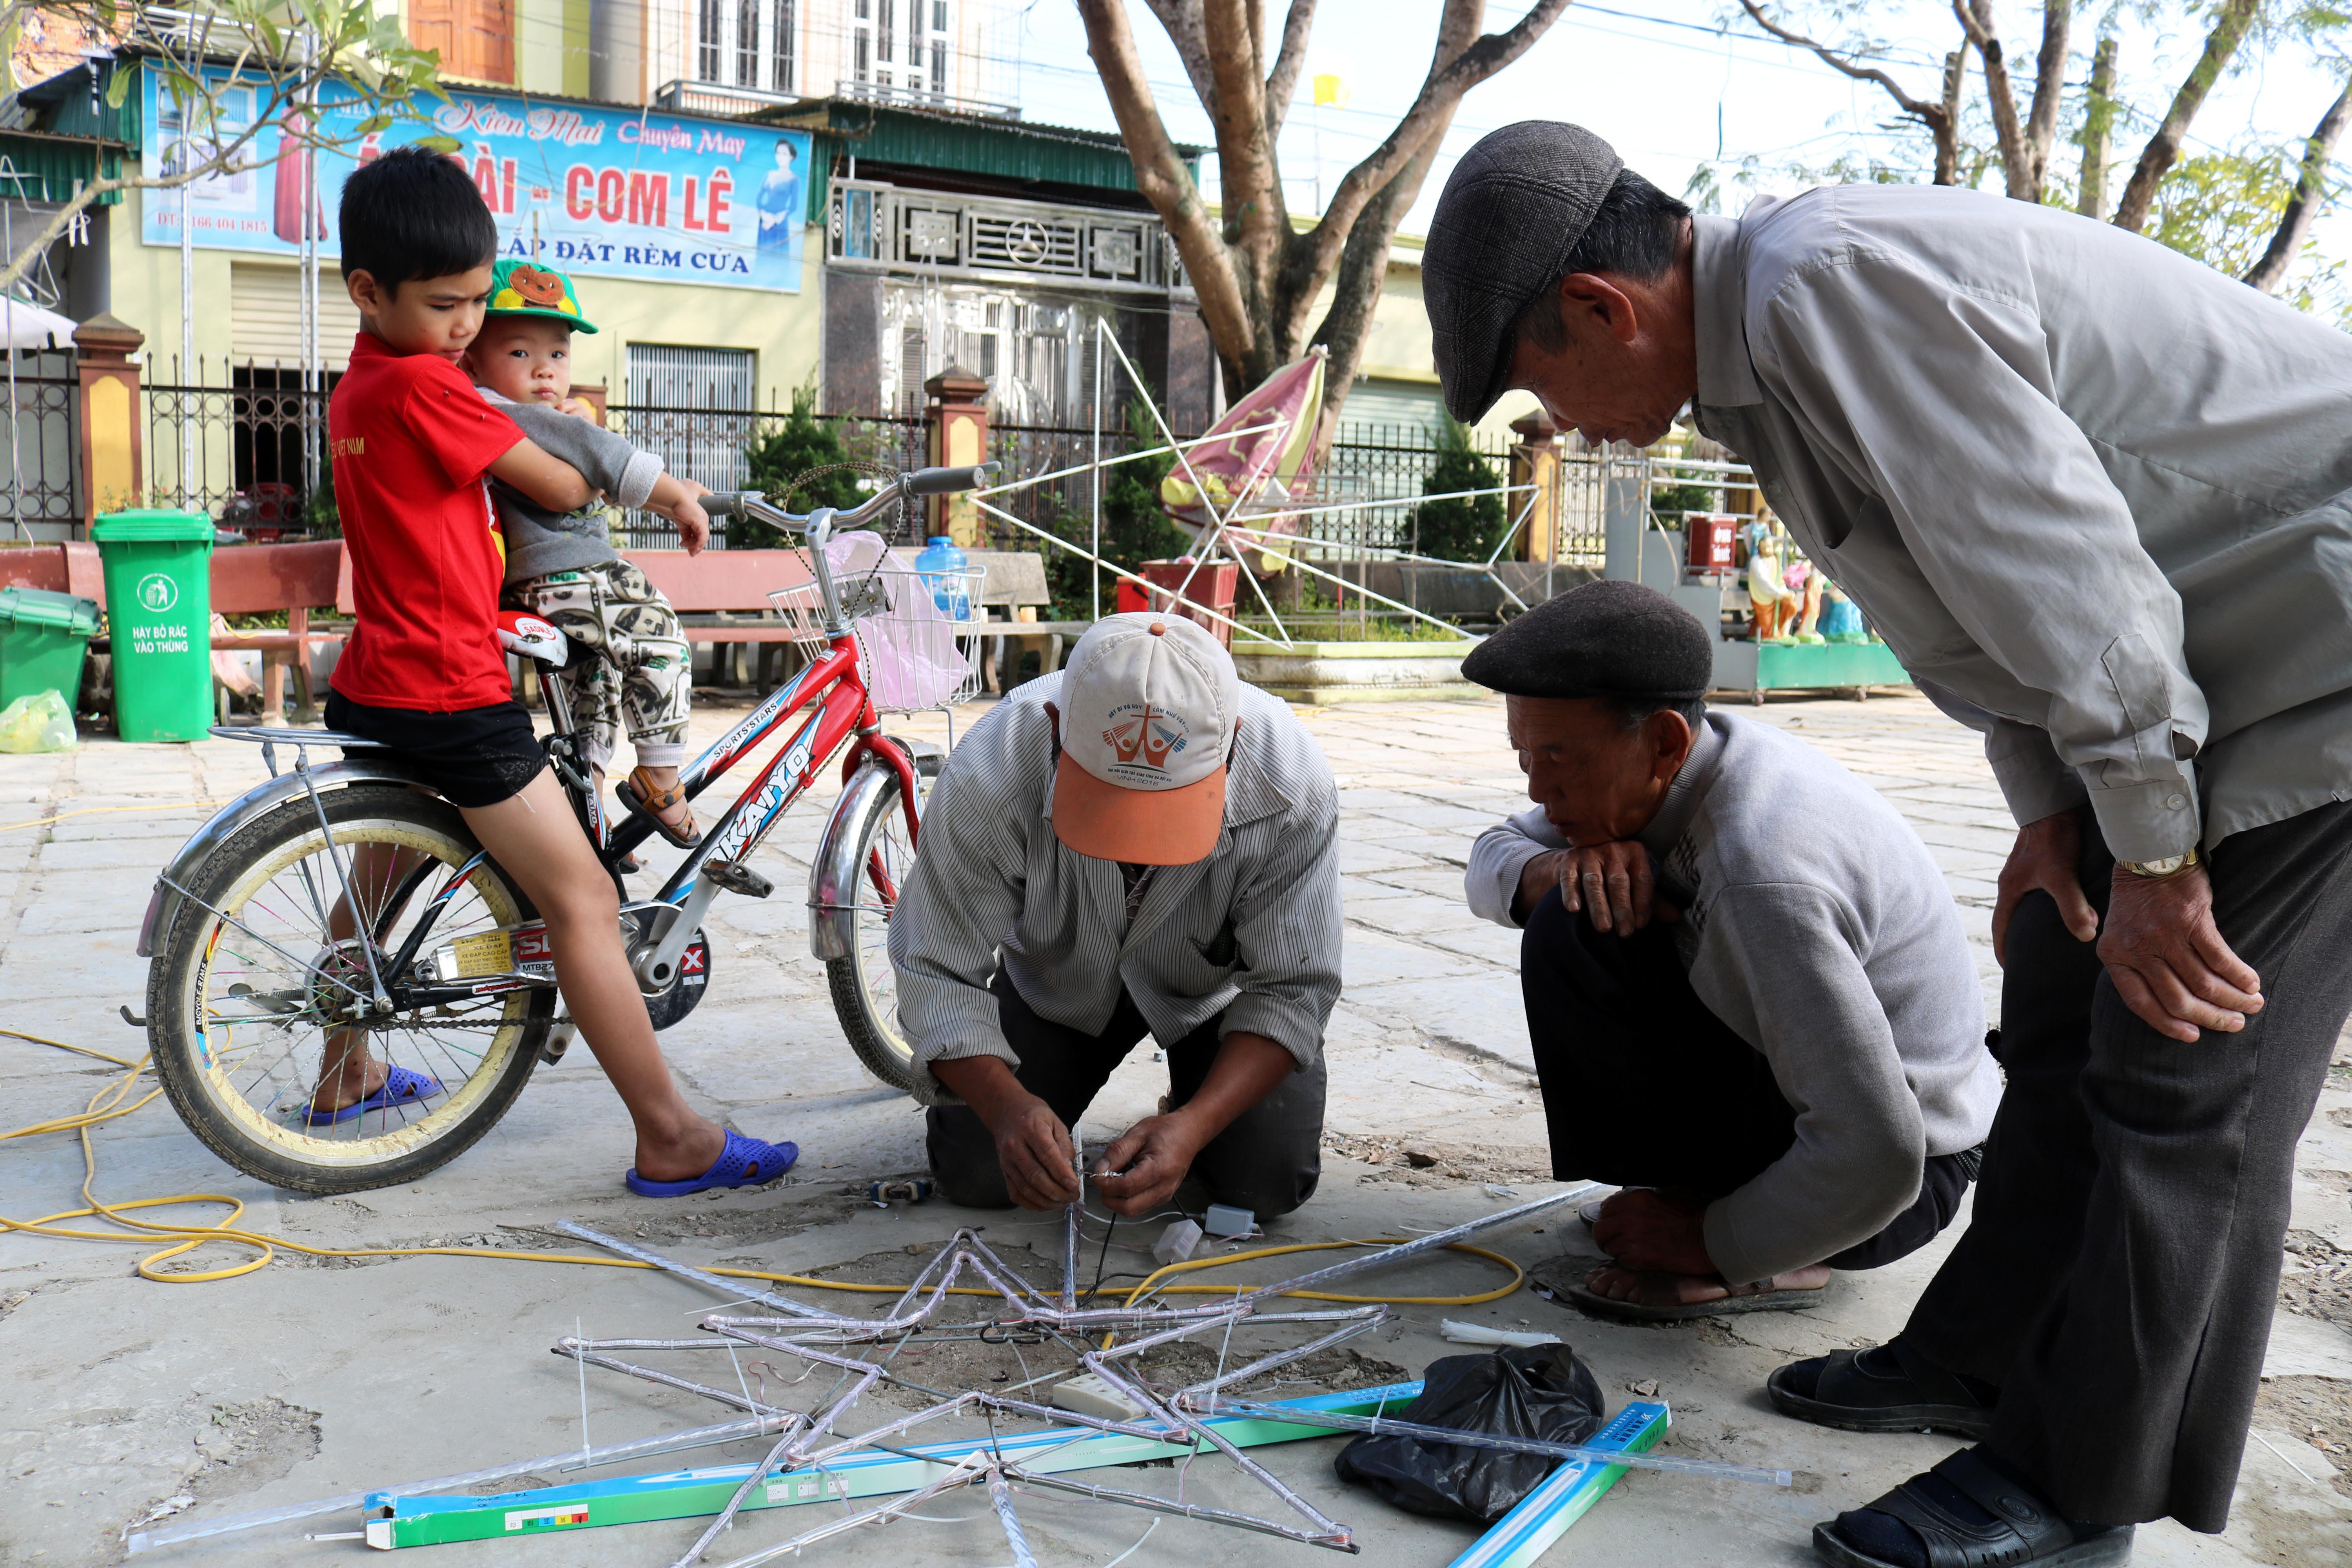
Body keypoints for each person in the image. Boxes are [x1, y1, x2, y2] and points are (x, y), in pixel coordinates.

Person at [1421, 118, 2352, 1568]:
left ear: (1604, 307)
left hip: (2318, 654)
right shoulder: (1760, 365)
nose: (1578, 430)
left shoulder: (1823, 291)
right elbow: (1963, 609)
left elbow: (2066, 572)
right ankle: (1984, 1357)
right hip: (2199, 660)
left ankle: (2079, 1484)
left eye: (1550, 386)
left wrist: (2160, 863)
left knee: (2188, 1076)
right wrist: (2053, 813)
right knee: (2056, 993)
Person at [323, 145, 797, 1197]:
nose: (465, 330)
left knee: (379, 871)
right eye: (447, 308)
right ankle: (671, 1135)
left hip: (374, 675)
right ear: (368, 291)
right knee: (579, 897)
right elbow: (552, 479)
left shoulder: (356, 386)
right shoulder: (426, 389)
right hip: (450, 683)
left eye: (473, 306)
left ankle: (343, 1066)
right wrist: (587, 439)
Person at [1461, 581, 1998, 1323]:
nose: (1538, 786)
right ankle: (1707, 1200)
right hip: (1825, 1123)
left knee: (1579, 917)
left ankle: (1770, 1256)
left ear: (1663, 743)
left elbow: (1880, 1156)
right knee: (1570, 909)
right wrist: (1555, 867)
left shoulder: (1762, 873)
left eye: (1559, 757)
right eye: (1524, 753)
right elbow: (1492, 857)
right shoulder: (1681, 764)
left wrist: (1719, 1242)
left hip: (1902, 1183)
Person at [890, 612, 1341, 1221]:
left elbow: (1293, 987)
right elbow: (933, 966)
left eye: (1165, 814)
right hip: (1056, 989)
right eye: (1108, 804)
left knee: (1266, 1185)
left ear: (1232, 741)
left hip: (1207, 1004)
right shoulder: (991, 768)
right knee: (979, 1172)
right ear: (1055, 728)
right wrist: (1006, 1110)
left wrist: (1193, 1124)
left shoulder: (1291, 779)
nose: (1134, 848)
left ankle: (1189, 1101)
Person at [463, 257, 712, 846]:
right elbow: (604, 455)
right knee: (659, 636)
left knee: (594, 689)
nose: (545, 370)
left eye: (557, 354)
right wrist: (677, 498)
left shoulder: (519, 414)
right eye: (520, 354)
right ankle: (659, 771)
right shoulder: (504, 412)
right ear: (473, 358)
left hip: (543, 584)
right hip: (567, 571)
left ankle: (588, 811)